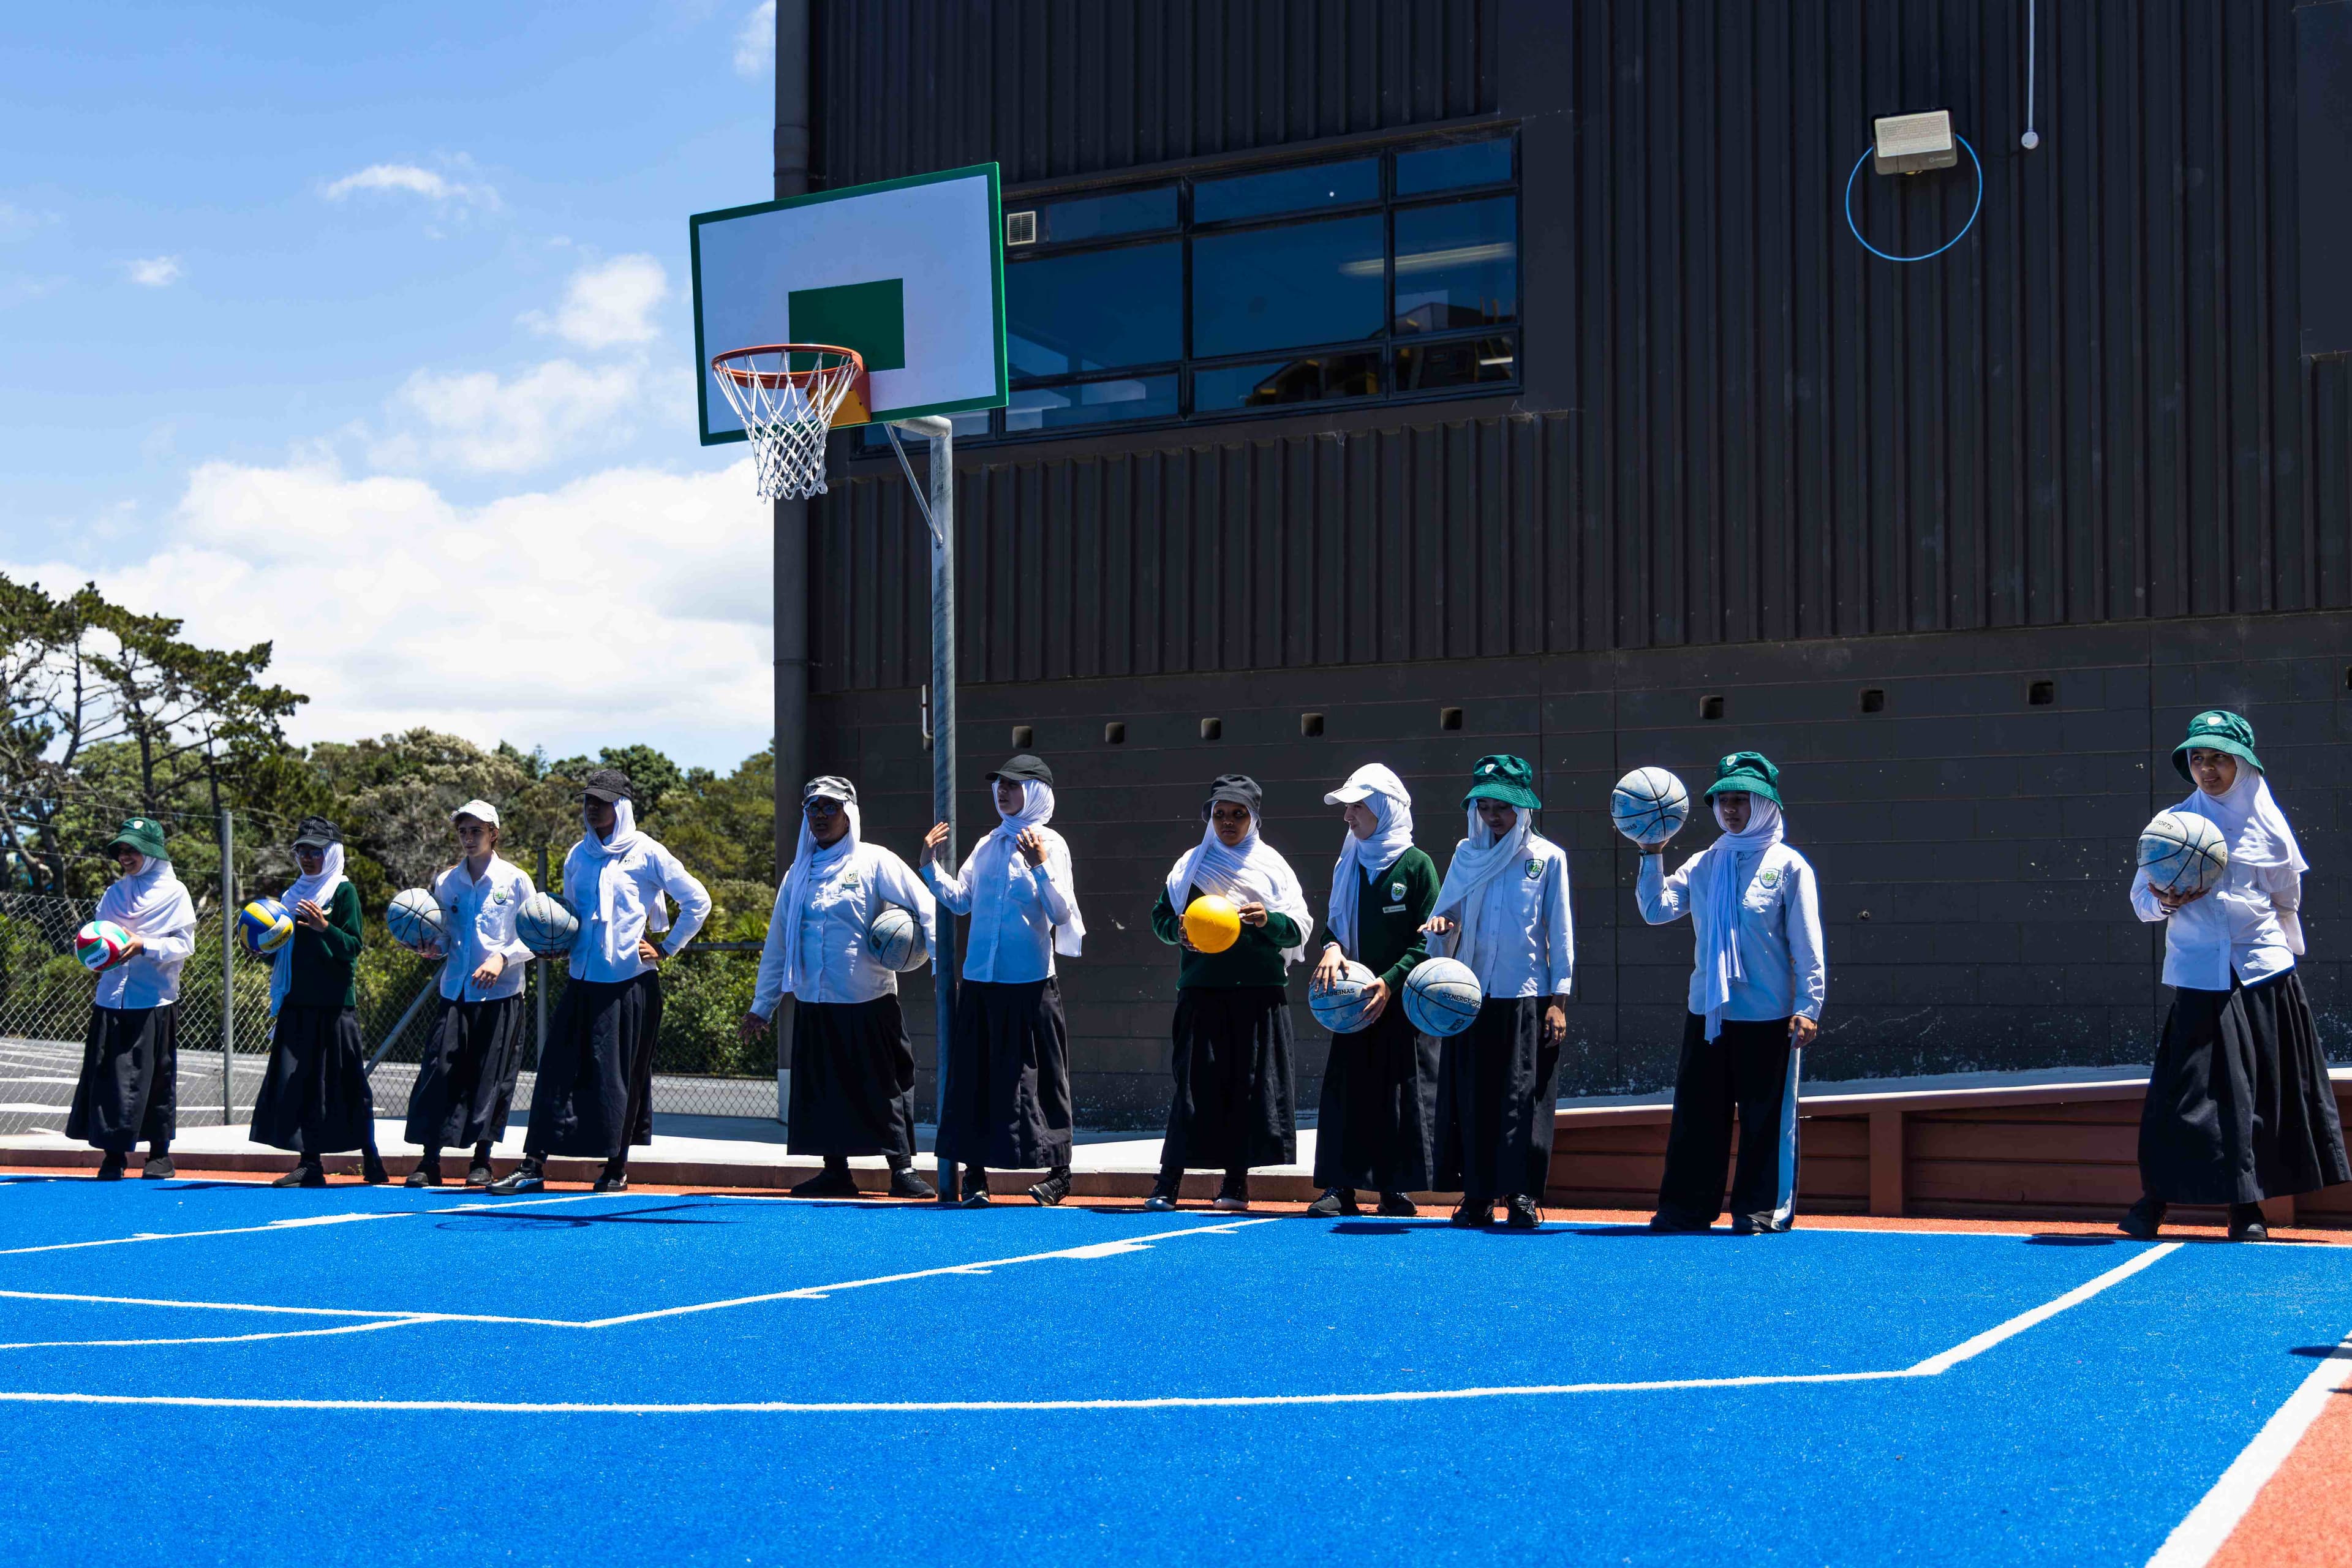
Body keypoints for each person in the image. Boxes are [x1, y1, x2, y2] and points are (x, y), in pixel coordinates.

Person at [2122, 710, 2348, 1242]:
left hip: (2264, 977)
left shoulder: (2270, 825)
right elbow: (2140, 903)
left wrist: (2281, 954)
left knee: (2262, 1099)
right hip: (2200, 979)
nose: (2207, 768)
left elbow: (2286, 899)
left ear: (2244, 764)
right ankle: (2154, 1202)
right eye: (2198, 758)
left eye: (2219, 757)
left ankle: (2246, 1208)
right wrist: (2164, 900)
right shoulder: (2173, 827)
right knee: (2185, 1098)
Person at [492, 769, 710, 1195]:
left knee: (618, 1080)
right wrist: (557, 944)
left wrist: (667, 948)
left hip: (630, 986)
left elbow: (697, 900)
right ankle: (533, 1164)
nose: (593, 809)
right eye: (589, 802)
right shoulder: (578, 855)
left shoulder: (648, 853)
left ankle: (616, 1168)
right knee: (555, 1072)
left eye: (603, 802)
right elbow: (569, 914)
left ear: (622, 806)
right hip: (581, 981)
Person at [1637, 752, 1825, 1235]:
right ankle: (1686, 1209)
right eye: (1723, 800)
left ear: (1766, 804)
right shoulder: (1705, 863)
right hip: (1708, 1012)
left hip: (1768, 1016)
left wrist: (1808, 1006)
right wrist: (1651, 853)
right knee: (1697, 1119)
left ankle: (1762, 1210)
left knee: (1766, 1122)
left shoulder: (1788, 866)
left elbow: (1807, 942)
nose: (1731, 809)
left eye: (1742, 799)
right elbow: (1657, 910)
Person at [743, 776, 939, 1200]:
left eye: (829, 807)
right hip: (815, 1001)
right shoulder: (799, 873)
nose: (820, 816)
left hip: (868, 1000)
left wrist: (941, 968)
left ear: (849, 813)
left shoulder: (874, 861)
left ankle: (902, 1170)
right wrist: (763, 1004)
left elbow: (926, 907)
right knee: (824, 1092)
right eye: (812, 808)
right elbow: (779, 941)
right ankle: (836, 1172)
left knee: (886, 1088)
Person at [921, 755, 1086, 1207]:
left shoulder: (1051, 843)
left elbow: (1060, 913)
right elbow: (959, 901)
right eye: (999, 784)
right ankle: (975, 1176)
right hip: (981, 982)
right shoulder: (989, 843)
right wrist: (929, 865)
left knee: (1044, 1078)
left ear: (1036, 793)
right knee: (976, 1076)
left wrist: (1039, 865)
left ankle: (1060, 1174)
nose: (1002, 791)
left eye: (1013, 785)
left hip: (1031, 985)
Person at [1146, 774, 1312, 1213]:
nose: (1228, 822)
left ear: (1254, 818)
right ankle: (1168, 1183)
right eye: (1219, 814)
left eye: (1238, 814)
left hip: (1259, 996)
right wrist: (1177, 930)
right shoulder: (1190, 865)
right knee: (1191, 1089)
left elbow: (1299, 928)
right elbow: (1160, 917)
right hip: (1201, 991)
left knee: (1249, 1089)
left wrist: (1268, 921)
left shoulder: (1272, 867)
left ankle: (1236, 1185)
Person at [1423, 755, 1574, 1229]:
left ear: (1524, 810)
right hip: (1469, 998)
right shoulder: (1464, 856)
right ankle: (1477, 1195)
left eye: (1504, 807)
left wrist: (1559, 1002)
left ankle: (1521, 1195)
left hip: (1525, 996)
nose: (1494, 816)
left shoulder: (1547, 858)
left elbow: (1560, 933)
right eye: (1485, 806)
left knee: (1521, 1098)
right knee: (1472, 1098)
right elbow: (1441, 925)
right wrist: (1444, 928)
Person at [1306, 764, 1439, 1218]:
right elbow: (1334, 925)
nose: (1348, 816)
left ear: (1385, 809)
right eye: (1347, 807)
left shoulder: (1417, 864)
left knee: (1398, 1093)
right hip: (1353, 1004)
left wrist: (1391, 980)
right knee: (1347, 1092)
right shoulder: (1349, 862)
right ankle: (1340, 1188)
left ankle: (1393, 1188)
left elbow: (1428, 940)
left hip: (1399, 1001)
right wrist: (1329, 948)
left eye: (1357, 806)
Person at [402, 800, 536, 1188]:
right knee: (438, 1071)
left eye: (476, 831)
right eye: (462, 831)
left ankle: (482, 1160)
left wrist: (502, 958)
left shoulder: (515, 880)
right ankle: (430, 1160)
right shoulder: (447, 882)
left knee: (491, 1079)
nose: (468, 837)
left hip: (502, 996)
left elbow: (537, 937)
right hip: (455, 993)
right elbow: (444, 937)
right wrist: (429, 946)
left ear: (494, 834)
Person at [251, 816, 387, 1188]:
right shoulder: (290, 897)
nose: (309, 858)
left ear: (333, 854)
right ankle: (309, 1163)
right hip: (297, 1002)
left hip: (335, 1005)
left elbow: (354, 947)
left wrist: (324, 927)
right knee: (300, 1084)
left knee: (348, 1083)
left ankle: (369, 1154)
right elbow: (280, 952)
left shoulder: (343, 892)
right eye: (302, 851)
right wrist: (260, 942)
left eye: (317, 851)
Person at [67, 816, 198, 1180]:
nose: (126, 856)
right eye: (122, 850)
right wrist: (96, 956)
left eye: (134, 850)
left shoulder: (175, 893)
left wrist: (145, 946)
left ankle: (159, 1154)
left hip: (153, 999)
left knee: (156, 1076)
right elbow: (98, 937)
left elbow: (183, 945)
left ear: (153, 853)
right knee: (108, 1074)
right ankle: (114, 1155)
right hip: (111, 997)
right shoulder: (114, 894)